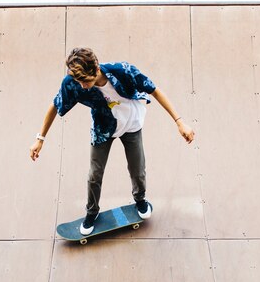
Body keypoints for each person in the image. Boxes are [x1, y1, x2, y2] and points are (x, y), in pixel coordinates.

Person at [30, 47, 195, 236]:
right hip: (103, 129)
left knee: (137, 168)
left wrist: (179, 122)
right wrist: (40, 139)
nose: (82, 86)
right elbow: (55, 105)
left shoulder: (123, 70)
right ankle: (92, 212)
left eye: (86, 81)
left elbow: (155, 91)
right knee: (94, 174)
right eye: (79, 81)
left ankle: (140, 200)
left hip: (131, 124)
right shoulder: (73, 83)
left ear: (96, 69)